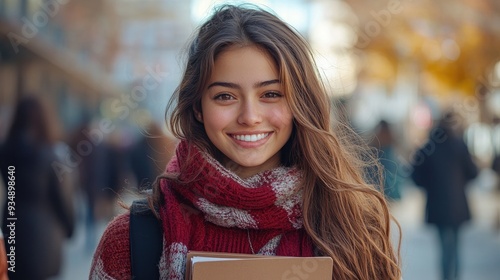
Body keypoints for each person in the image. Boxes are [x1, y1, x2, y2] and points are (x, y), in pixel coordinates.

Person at [90, 4, 401, 280]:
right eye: (225, 96)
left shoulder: (356, 232)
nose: (250, 116)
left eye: (271, 94)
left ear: (299, 104)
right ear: (198, 107)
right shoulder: (132, 240)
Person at [0, 96, 75, 280]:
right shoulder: (52, 154)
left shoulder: (5, 151)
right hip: (44, 236)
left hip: (12, 227)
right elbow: (62, 197)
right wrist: (70, 227)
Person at [411, 111, 478, 280]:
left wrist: (430, 186)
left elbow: (415, 175)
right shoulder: (460, 146)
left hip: (437, 204)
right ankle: (453, 276)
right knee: (455, 246)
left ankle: (447, 277)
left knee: (444, 246)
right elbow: (473, 172)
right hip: (458, 205)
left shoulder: (428, 148)